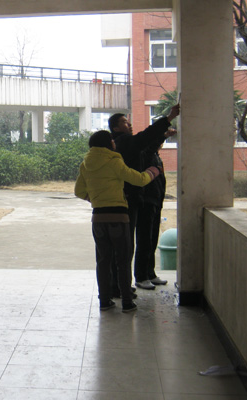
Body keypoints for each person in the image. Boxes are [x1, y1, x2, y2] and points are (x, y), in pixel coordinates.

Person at [75, 130, 161, 313]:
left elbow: (79, 191)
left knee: (103, 261)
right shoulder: (114, 162)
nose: (115, 143)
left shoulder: (86, 164)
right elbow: (138, 180)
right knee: (122, 260)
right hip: (118, 217)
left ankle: (104, 301)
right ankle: (127, 302)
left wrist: (96, 199)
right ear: (108, 144)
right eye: (112, 141)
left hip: (98, 218)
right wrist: (152, 172)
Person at [108, 104, 179, 295]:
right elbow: (145, 138)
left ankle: (136, 277)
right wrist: (168, 118)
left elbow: (147, 144)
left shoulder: (131, 144)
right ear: (115, 128)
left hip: (140, 197)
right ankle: (123, 283)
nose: (129, 124)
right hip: (133, 198)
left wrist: (163, 135)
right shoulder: (124, 142)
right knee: (130, 243)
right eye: (124, 122)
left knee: (144, 238)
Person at [134, 144, 168, 287]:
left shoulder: (156, 156)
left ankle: (150, 273)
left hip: (155, 202)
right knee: (145, 240)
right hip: (146, 203)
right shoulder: (145, 154)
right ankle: (141, 276)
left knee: (153, 240)